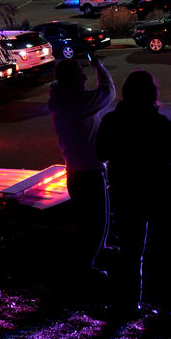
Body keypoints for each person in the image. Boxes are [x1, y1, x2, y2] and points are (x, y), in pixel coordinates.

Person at [96, 70, 171, 315]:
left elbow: (100, 153)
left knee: (130, 248)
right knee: (168, 245)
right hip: (160, 191)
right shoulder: (159, 123)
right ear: (152, 94)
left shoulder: (111, 122)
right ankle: (169, 296)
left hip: (125, 192)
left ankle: (129, 301)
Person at [48, 55, 115, 279]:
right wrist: (99, 65)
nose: (84, 77)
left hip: (79, 174)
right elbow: (108, 92)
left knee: (90, 225)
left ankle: (91, 262)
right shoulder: (76, 104)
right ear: (70, 79)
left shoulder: (65, 101)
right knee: (95, 225)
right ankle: (86, 272)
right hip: (89, 174)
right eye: (80, 72)